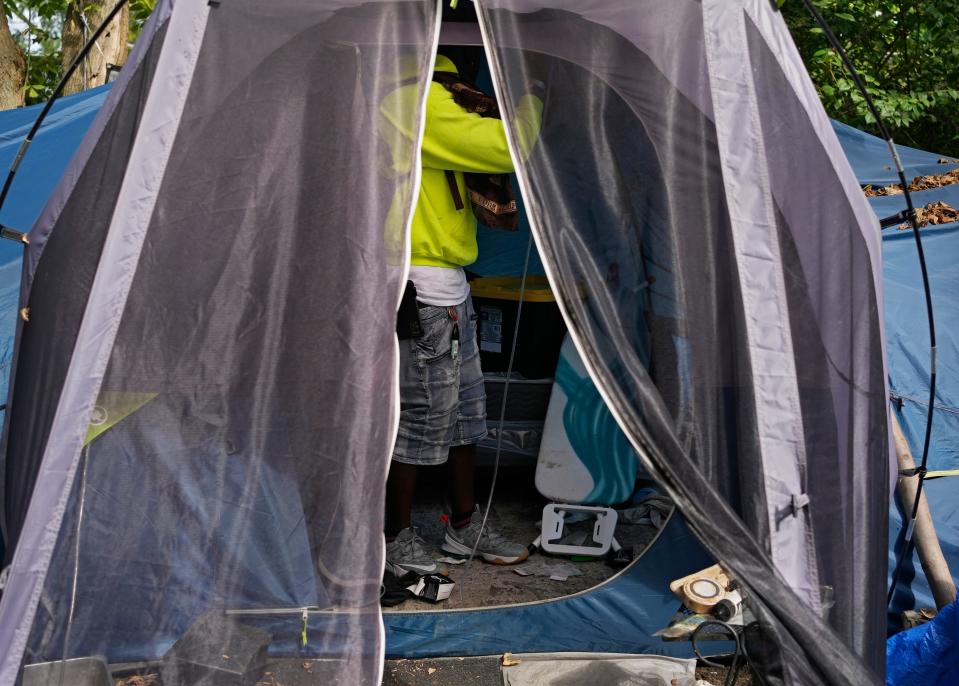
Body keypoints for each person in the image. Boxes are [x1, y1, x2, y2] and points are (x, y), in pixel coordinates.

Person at [384, 48, 543, 576]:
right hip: (423, 289)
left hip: (448, 287)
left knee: (462, 419)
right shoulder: (418, 99)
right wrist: (533, 94)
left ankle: (463, 525)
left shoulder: (432, 99)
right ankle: (393, 538)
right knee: (421, 422)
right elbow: (506, 147)